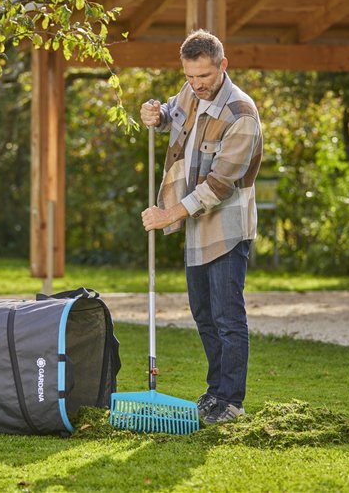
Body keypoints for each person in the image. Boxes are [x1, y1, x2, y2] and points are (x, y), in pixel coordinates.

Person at [139, 29, 263, 425]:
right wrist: (154, 115)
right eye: (190, 77)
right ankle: (214, 393)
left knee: (228, 317)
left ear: (223, 66)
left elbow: (218, 186)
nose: (196, 85)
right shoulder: (192, 94)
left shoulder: (240, 114)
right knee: (204, 315)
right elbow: (168, 118)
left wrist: (166, 215)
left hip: (226, 228)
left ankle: (232, 402)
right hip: (196, 228)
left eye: (204, 77)